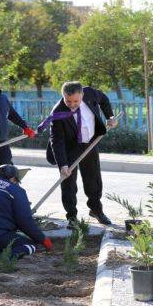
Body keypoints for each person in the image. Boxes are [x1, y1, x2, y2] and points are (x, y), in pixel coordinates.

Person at [41, 81, 117, 229]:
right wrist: (63, 165)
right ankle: (72, 216)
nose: (72, 104)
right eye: (68, 101)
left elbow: (104, 100)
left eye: (76, 101)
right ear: (63, 96)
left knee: (93, 179)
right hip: (69, 148)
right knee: (68, 183)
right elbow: (57, 141)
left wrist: (110, 117)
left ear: (82, 94)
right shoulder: (58, 113)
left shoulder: (91, 93)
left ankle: (96, 210)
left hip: (90, 142)